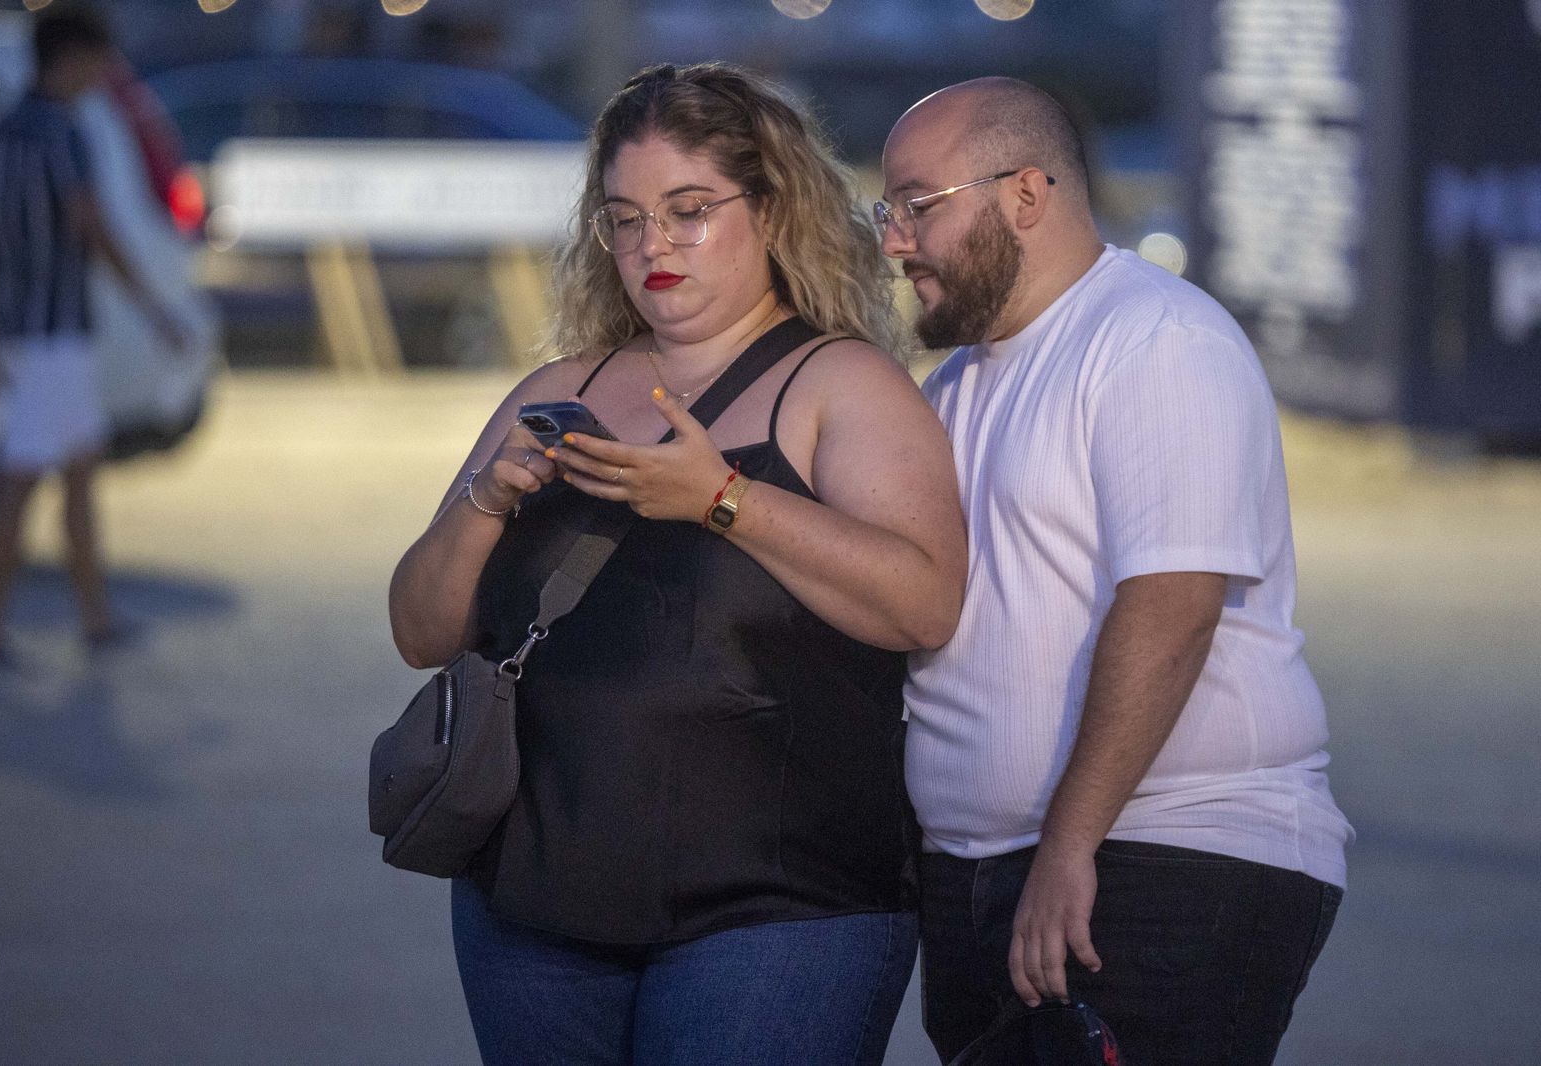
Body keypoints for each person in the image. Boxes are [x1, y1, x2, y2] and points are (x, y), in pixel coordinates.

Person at [388, 63, 967, 1066]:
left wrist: (720, 498)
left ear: (773, 209)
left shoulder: (838, 385)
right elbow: (417, 632)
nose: (650, 244)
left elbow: (924, 603)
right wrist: (488, 500)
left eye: (688, 210)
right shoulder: (564, 385)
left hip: (778, 914)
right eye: (622, 218)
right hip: (530, 903)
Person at [878, 78, 1354, 1065]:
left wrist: (1067, 842)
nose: (894, 240)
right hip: (985, 877)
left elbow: (1173, 607)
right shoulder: (954, 386)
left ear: (1022, 194)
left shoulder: (1156, 340)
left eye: (918, 205)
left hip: (1163, 857)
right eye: (886, 211)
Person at [0, 4, 184, 666]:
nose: (103, 73)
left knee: (77, 472)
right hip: (54, 335)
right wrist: (153, 307)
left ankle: (94, 618)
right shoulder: (62, 132)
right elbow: (90, 224)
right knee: (20, 483)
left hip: (14, 330)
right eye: (97, 60)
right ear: (70, 57)